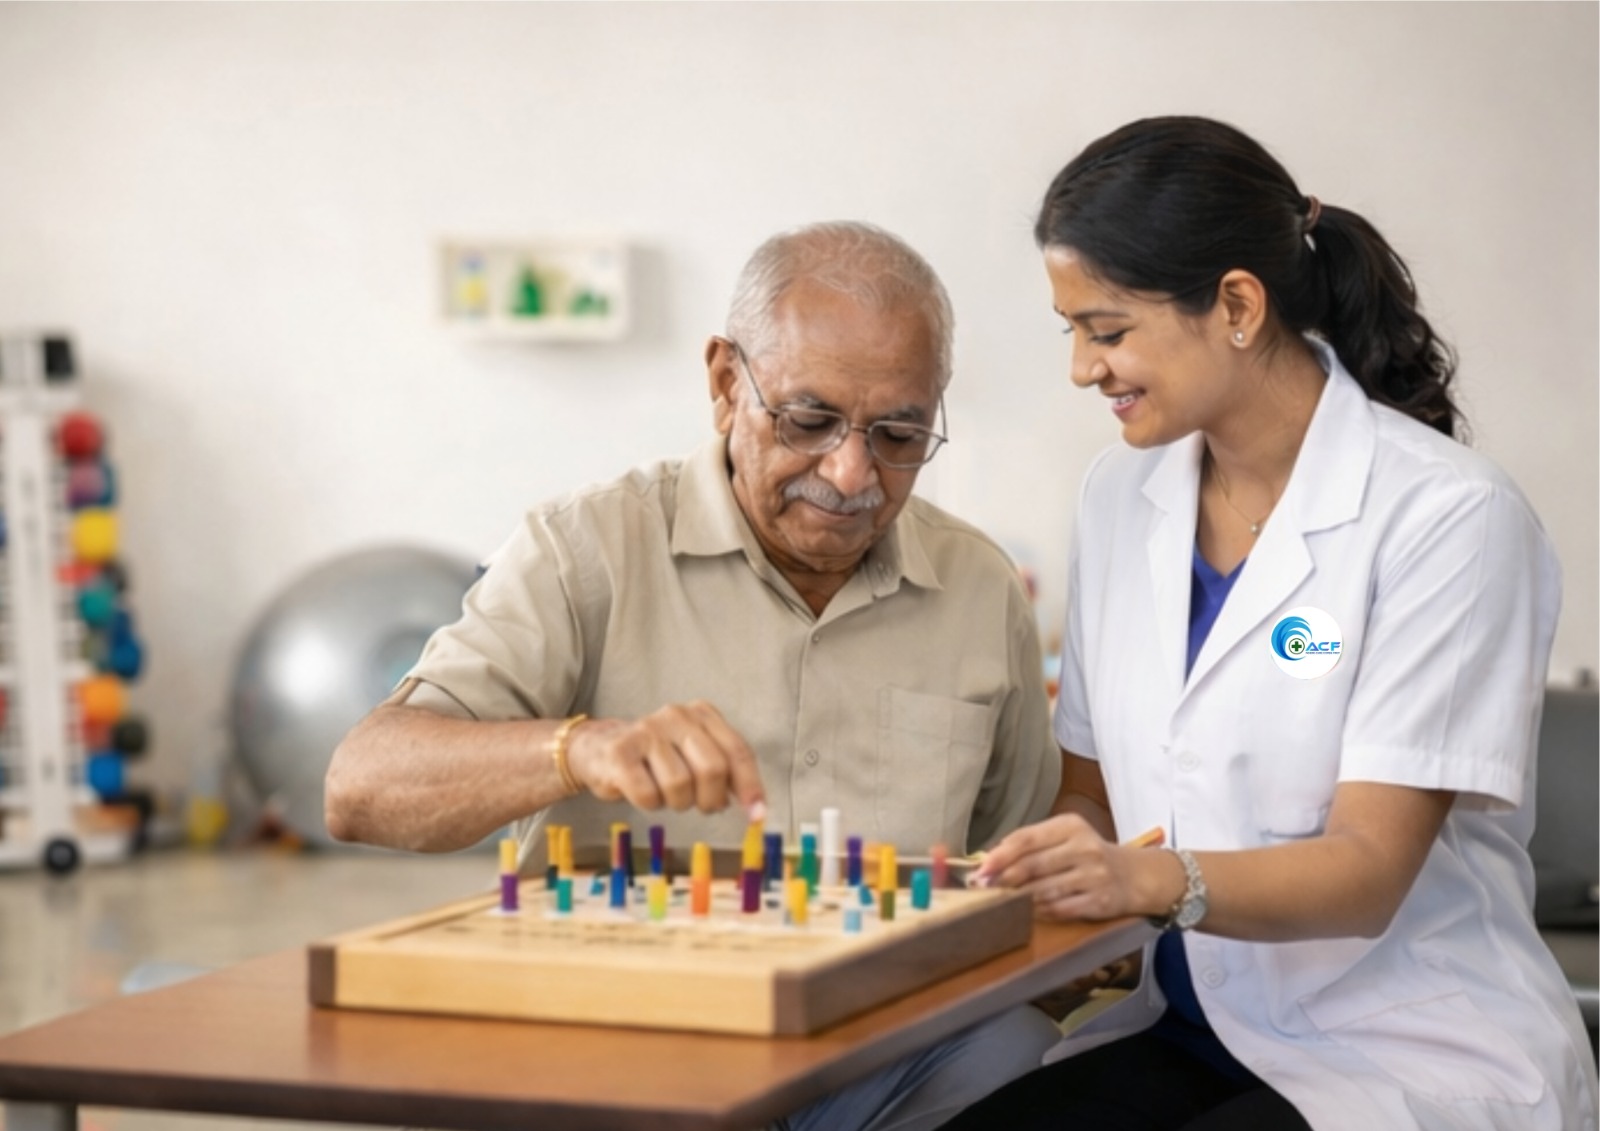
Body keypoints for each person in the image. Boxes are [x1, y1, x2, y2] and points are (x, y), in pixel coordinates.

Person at [325, 220, 1064, 1131]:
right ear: (725, 383)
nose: (851, 471)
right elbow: (360, 787)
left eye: (899, 434)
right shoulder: (583, 551)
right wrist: (578, 750)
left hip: (896, 1047)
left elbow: (1020, 868)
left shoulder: (979, 588)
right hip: (628, 1043)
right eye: (809, 420)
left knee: (1038, 1066)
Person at [938, 117, 1599, 1131]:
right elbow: (1094, 799)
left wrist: (1142, 880)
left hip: (1400, 1050)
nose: (1081, 368)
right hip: (1190, 1026)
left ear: (1236, 306)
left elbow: (1367, 872)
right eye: (1070, 330)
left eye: (1106, 330)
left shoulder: (1447, 517)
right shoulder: (1120, 498)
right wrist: (1028, 871)